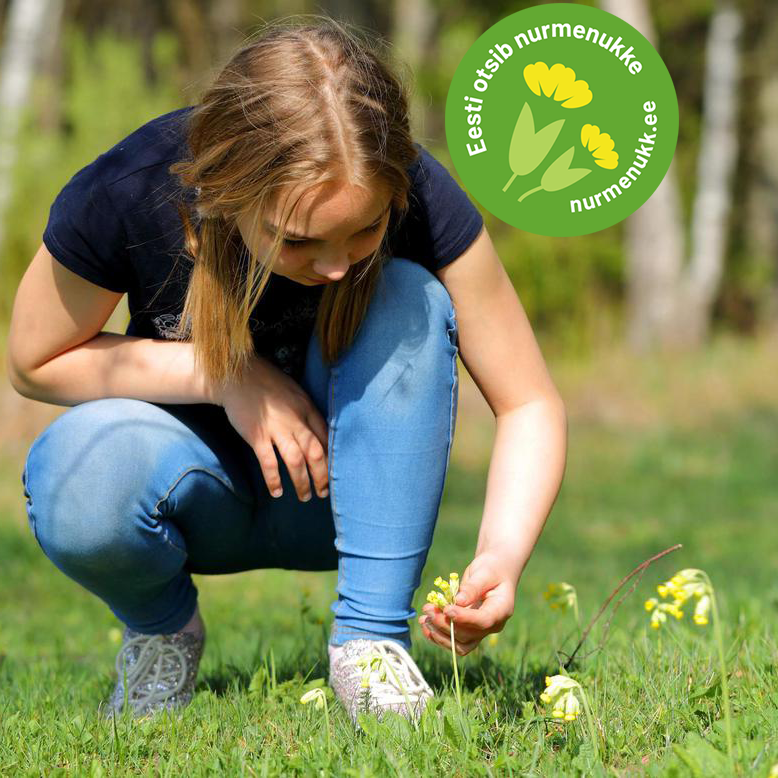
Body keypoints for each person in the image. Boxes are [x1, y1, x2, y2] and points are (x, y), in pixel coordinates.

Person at [8, 16, 567, 724]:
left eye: (365, 230)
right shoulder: (128, 188)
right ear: (224, 189)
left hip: (350, 502)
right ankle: (161, 632)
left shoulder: (422, 192)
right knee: (75, 470)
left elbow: (529, 405)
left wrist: (502, 556)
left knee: (409, 295)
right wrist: (223, 377)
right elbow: (34, 362)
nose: (337, 266)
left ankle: (370, 647)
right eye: (298, 239)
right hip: (191, 494)